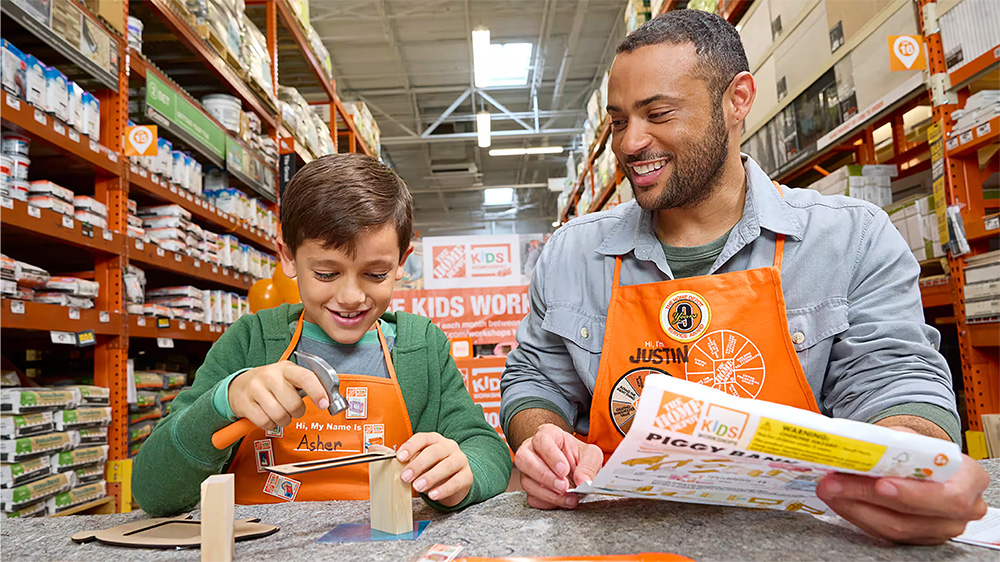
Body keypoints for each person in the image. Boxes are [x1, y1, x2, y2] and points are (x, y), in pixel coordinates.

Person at [500, 9, 988, 545]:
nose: (629, 144)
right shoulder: (572, 253)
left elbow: (895, 382)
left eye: (658, 114)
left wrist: (906, 465)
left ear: (737, 100)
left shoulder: (850, 239)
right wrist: (544, 439)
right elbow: (535, 381)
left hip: (803, 540)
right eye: (618, 121)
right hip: (617, 541)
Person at [134, 154, 511, 515]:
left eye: (376, 274)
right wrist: (224, 400)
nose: (351, 297)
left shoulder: (421, 346)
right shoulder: (251, 341)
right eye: (326, 274)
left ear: (401, 262)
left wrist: (465, 471)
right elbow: (153, 491)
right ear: (287, 257)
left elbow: (487, 449)